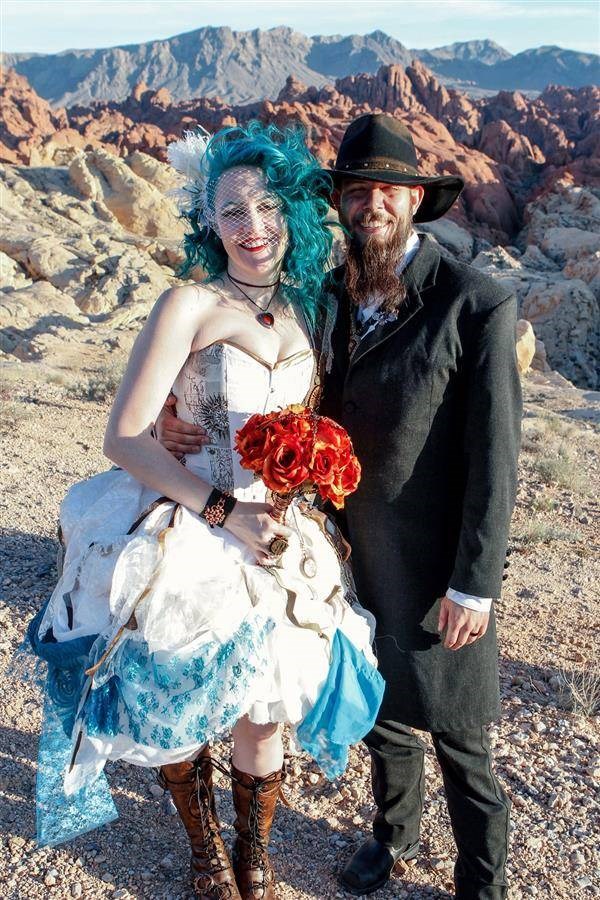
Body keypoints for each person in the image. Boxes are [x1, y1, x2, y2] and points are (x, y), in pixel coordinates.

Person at [160, 114, 522, 900]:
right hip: (346, 543)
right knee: (383, 707)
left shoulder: (476, 303)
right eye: (356, 192)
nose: (371, 206)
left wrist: (476, 583)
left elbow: (495, 457)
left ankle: (483, 880)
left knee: (461, 734)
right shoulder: (325, 291)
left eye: (387, 190)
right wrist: (169, 411)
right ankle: (394, 837)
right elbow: (257, 375)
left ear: (415, 199)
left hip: (436, 556)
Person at [27, 121, 384, 900]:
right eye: (230, 212)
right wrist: (222, 504)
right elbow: (123, 434)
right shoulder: (186, 303)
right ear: (207, 222)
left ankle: (254, 855)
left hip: (279, 532)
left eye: (265, 206)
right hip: (195, 522)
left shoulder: (307, 307)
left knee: (264, 709)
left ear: (291, 209)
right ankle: (204, 851)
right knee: (179, 702)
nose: (251, 227)